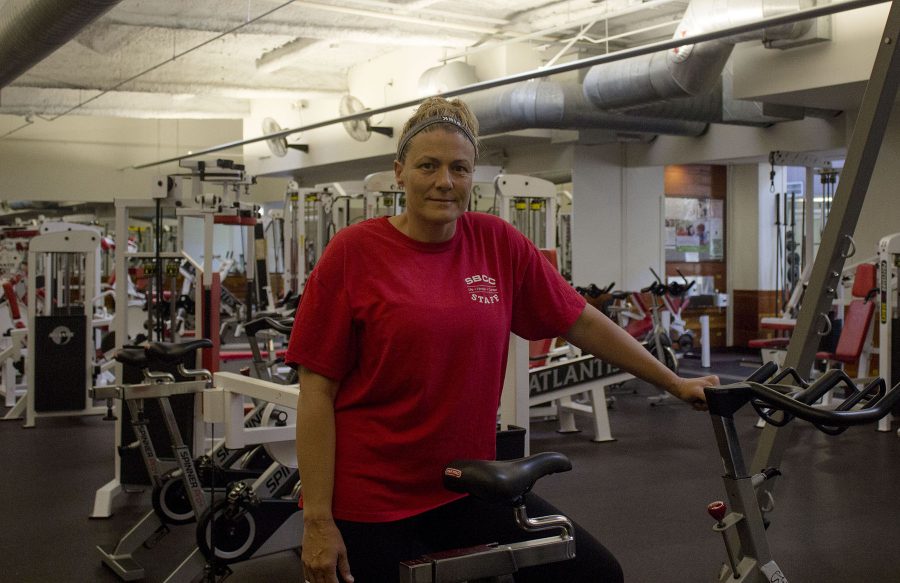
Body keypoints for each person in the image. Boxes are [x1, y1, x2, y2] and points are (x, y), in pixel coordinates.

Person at [286, 96, 719, 583]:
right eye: (428, 165)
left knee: (594, 574)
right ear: (399, 171)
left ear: (473, 176)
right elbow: (317, 393)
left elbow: (581, 321)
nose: (444, 181)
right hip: (372, 500)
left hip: (464, 483)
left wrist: (673, 382)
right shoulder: (354, 252)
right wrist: (318, 520)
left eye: (459, 168)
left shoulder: (497, 242)